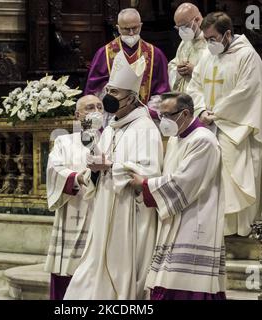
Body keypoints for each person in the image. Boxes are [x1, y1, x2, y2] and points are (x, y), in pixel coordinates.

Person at [64, 50, 163, 300]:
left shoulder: (146, 129)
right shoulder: (110, 129)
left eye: (115, 93)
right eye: (108, 90)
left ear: (131, 98)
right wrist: (93, 169)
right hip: (104, 207)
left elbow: (149, 173)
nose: (108, 97)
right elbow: (98, 167)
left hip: (129, 213)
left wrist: (110, 168)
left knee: (122, 271)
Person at [186, 12, 262, 236]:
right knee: (213, 181)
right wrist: (200, 110)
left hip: (237, 128)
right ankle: (218, 228)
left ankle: (242, 228)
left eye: (212, 38)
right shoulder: (208, 57)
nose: (209, 44)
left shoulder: (247, 55)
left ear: (227, 34)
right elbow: (195, 85)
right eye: (206, 39)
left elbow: (247, 92)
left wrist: (216, 112)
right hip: (209, 127)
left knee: (237, 179)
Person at [129, 92, 225, 300]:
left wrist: (145, 184)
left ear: (185, 113)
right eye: (160, 115)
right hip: (176, 214)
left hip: (195, 217)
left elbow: (184, 182)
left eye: (167, 115)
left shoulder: (204, 140)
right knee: (166, 280)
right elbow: (169, 176)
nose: (163, 121)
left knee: (183, 284)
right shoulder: (176, 139)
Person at [44, 95, 104, 300]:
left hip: (101, 211)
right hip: (74, 209)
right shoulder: (64, 141)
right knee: (68, 270)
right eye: (89, 107)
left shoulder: (112, 139)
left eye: (99, 106)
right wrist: (77, 177)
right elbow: (54, 169)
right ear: (77, 115)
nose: (96, 110)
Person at [84, 8, 170, 105]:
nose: (131, 33)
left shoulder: (156, 54)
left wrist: (150, 111)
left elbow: (163, 90)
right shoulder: (104, 53)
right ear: (118, 28)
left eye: (135, 28)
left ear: (141, 26)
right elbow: (94, 89)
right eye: (126, 29)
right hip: (112, 114)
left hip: (145, 114)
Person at [168, 3, 207, 93]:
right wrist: (177, 70)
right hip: (184, 98)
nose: (181, 31)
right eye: (178, 28)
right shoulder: (185, 42)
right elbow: (173, 65)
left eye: (185, 27)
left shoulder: (212, 41)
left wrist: (194, 71)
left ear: (197, 20)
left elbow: (219, 72)